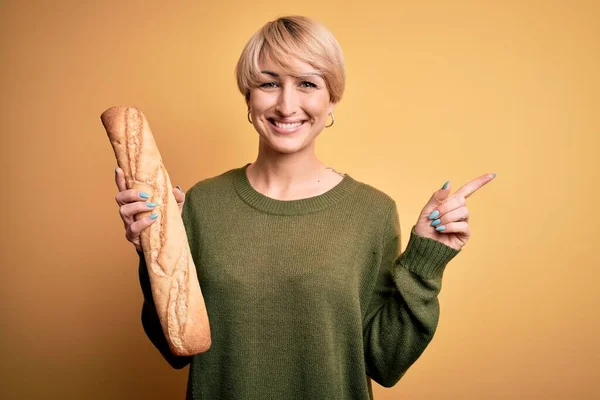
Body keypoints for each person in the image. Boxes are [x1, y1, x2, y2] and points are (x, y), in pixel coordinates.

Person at [113, 15, 495, 400]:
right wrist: (152, 252)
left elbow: (384, 362)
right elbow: (175, 349)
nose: (286, 104)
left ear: (332, 99)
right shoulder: (202, 203)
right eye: (269, 83)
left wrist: (425, 260)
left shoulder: (371, 212)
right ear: (248, 96)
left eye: (307, 84)